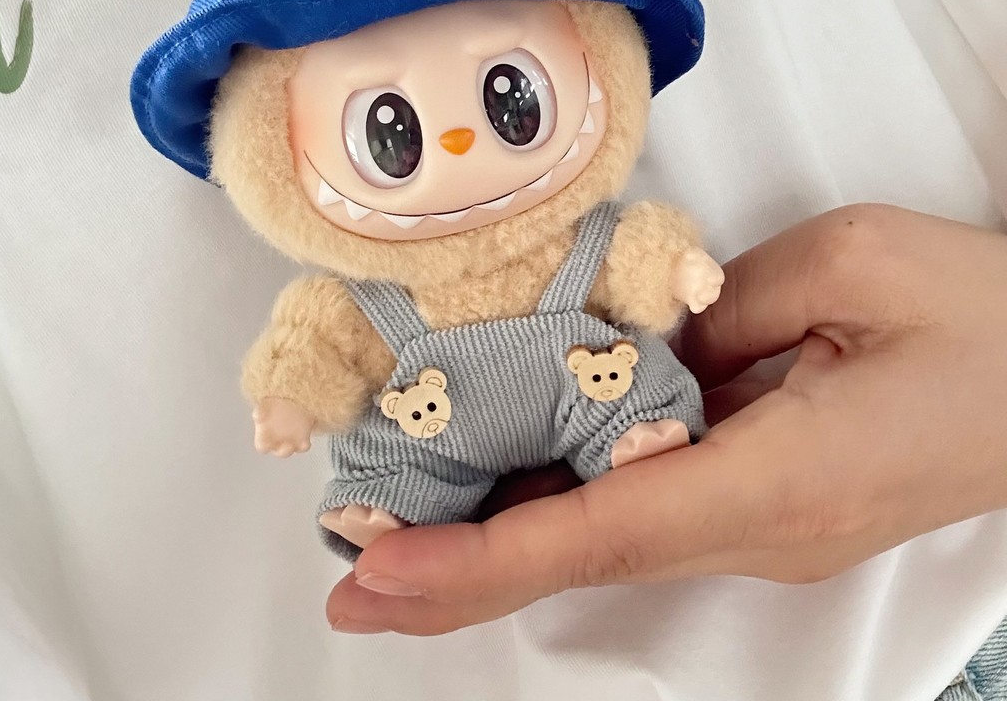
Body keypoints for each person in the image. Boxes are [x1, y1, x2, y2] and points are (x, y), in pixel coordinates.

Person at [326, 202, 1007, 666]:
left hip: (945, 617)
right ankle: (397, 494)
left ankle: (634, 433)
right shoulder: (357, 292)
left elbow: (639, 245)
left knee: (625, 390)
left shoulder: (590, 235)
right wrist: (289, 397)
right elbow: (313, 340)